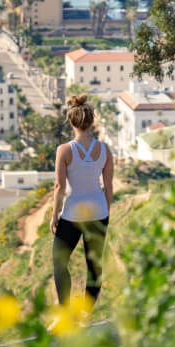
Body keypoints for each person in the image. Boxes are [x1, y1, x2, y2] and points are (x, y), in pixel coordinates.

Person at [50, 94, 113, 306]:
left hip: (73, 213)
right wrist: (106, 213)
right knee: (94, 266)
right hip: (99, 211)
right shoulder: (105, 150)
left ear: (71, 121)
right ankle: (85, 313)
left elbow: (59, 187)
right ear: (91, 121)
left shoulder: (64, 150)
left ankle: (65, 310)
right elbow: (109, 186)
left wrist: (54, 216)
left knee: (59, 262)